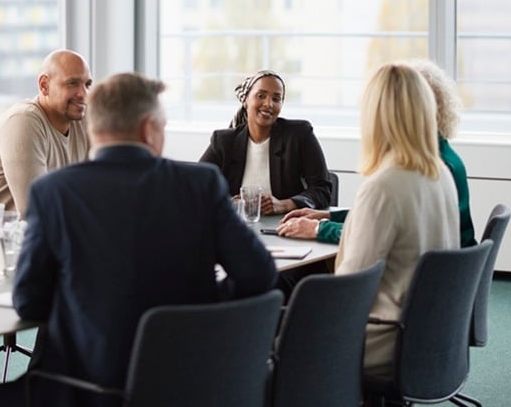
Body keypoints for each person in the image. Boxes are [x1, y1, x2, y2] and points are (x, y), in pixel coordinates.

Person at [0, 73, 278, 407]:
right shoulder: (200, 184)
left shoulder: (54, 192)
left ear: (95, 128)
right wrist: (205, 304)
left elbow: (29, 302)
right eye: (163, 126)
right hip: (192, 383)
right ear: (147, 128)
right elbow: (259, 275)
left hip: (88, 388)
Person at [330, 62, 459, 378]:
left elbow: (348, 290)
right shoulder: (440, 174)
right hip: (430, 335)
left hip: (383, 338)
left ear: (375, 116)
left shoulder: (383, 186)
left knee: (268, 344)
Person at [277, 58, 476, 247]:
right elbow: (384, 219)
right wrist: (329, 216)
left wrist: (320, 229)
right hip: (450, 275)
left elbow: (374, 236)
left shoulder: (422, 170)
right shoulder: (440, 160)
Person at [0, 49, 93, 237]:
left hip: (42, 246)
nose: (83, 94)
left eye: (87, 84)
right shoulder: (23, 121)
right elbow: (36, 212)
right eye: (72, 83)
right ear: (44, 85)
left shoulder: (82, 120)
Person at [199, 69, 333, 216]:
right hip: (236, 227)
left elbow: (322, 190)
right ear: (245, 100)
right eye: (261, 96)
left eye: (276, 99)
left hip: (285, 227)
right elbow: (196, 186)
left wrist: (284, 205)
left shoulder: (299, 135)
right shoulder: (224, 141)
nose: (268, 104)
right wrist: (229, 203)